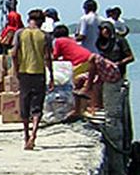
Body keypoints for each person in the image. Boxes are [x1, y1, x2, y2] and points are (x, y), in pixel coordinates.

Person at [12, 9, 53, 150]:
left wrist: (16, 70)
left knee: (24, 104)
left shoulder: (20, 33)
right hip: (39, 73)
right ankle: (34, 134)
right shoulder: (45, 36)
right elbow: (47, 57)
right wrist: (52, 76)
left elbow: (13, 54)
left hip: (24, 73)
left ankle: (26, 135)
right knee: (37, 106)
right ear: (41, 22)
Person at [51, 24, 93, 111]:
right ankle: (84, 106)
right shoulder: (71, 39)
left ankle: (78, 108)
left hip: (80, 61)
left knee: (72, 82)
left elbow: (55, 56)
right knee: (81, 82)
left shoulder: (58, 41)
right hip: (88, 57)